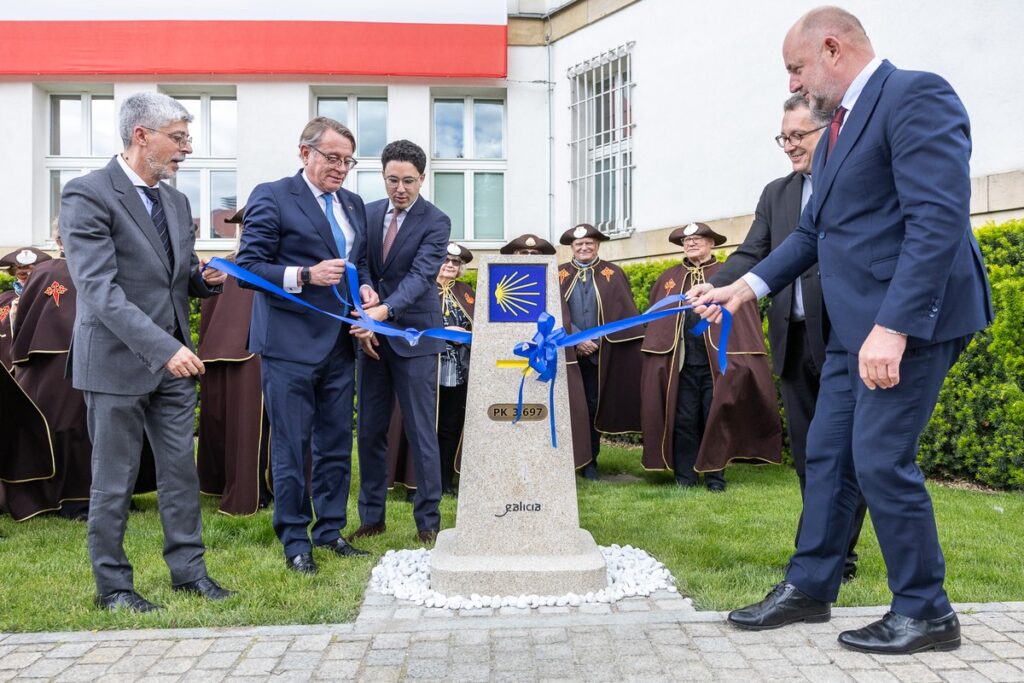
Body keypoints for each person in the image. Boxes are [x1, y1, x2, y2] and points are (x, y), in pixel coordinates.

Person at [696, 7, 992, 654]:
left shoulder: (915, 94)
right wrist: (742, 288)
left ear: (832, 48)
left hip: (907, 320)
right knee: (828, 453)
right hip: (854, 324)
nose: (796, 84)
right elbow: (811, 232)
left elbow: (937, 220)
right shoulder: (834, 132)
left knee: (881, 456)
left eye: (796, 69)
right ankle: (810, 586)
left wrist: (895, 327)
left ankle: (925, 609)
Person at [60, 91, 234, 612]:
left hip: (173, 367)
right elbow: (100, 289)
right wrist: (165, 349)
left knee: (181, 472)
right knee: (113, 481)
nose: (186, 149)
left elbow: (173, 277)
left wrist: (205, 279)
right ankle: (113, 587)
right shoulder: (86, 194)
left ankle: (190, 573)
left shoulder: (176, 202)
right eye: (178, 138)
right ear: (142, 136)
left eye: (187, 138)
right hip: (117, 364)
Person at [692, 95, 866, 580]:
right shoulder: (776, 193)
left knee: (845, 451)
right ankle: (822, 547)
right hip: (792, 339)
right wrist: (721, 285)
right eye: (783, 137)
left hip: (842, 337)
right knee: (810, 453)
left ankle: (837, 555)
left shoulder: (850, 183)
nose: (789, 146)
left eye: (799, 136)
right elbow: (753, 252)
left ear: (828, 132)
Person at [236, 117, 369, 574]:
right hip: (289, 344)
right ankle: (295, 539)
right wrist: (305, 275)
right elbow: (249, 265)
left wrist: (365, 290)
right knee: (291, 446)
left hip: (338, 343)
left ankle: (330, 531)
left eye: (348, 161)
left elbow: (359, 264)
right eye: (332, 158)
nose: (341, 168)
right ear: (304, 153)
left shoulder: (351, 204)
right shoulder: (272, 195)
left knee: (334, 444)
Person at [349, 139, 450, 545]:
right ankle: (372, 517)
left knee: (421, 431)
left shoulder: (436, 221)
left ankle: (428, 521)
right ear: (383, 176)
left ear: (422, 179)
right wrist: (368, 293)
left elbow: (422, 276)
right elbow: (358, 263)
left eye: (409, 181)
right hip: (371, 341)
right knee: (370, 431)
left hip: (415, 339)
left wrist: (384, 313)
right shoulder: (368, 214)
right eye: (393, 180)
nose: (400, 189)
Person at [641, 223, 782, 491]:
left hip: (717, 364)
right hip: (682, 364)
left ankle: (715, 477)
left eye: (698, 239)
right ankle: (685, 477)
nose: (692, 243)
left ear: (711, 243)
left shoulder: (729, 275)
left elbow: (744, 319)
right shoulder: (669, 277)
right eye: (687, 240)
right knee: (684, 420)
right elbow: (656, 322)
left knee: (713, 419)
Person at [197, 208, 272, 516]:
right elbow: (210, 310)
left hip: (259, 353)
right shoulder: (222, 266)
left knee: (263, 428)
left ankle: (265, 487)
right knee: (233, 427)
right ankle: (241, 488)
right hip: (230, 355)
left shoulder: (271, 265)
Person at [499, 233, 593, 474]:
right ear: (513, 256)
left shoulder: (551, 283)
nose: (529, 257)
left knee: (559, 406)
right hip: (512, 356)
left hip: (550, 354)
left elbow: (562, 317)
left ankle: (559, 459)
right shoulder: (499, 283)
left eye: (534, 255)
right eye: (523, 253)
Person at [387, 242, 475, 497]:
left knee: (450, 425)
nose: (449, 265)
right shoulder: (419, 289)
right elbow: (408, 327)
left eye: (455, 263)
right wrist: (446, 333)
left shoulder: (467, 292)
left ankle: (445, 480)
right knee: (421, 426)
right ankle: (416, 484)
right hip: (425, 366)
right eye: (445, 260)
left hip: (457, 369)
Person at [557, 224, 643, 480]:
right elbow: (550, 312)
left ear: (597, 246)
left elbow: (622, 313)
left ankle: (589, 462)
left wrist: (597, 340)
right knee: (568, 407)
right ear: (571, 248)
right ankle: (563, 461)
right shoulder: (558, 274)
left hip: (601, 355)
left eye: (589, 244)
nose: (584, 248)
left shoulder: (612, 273)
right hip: (566, 353)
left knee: (592, 407)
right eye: (578, 245)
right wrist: (574, 338)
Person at [0, 248, 52, 371]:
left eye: (33, 273)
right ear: (14, 274)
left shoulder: (52, 298)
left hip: (40, 368)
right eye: (23, 274)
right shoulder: (3, 299)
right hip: (8, 370)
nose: (28, 279)